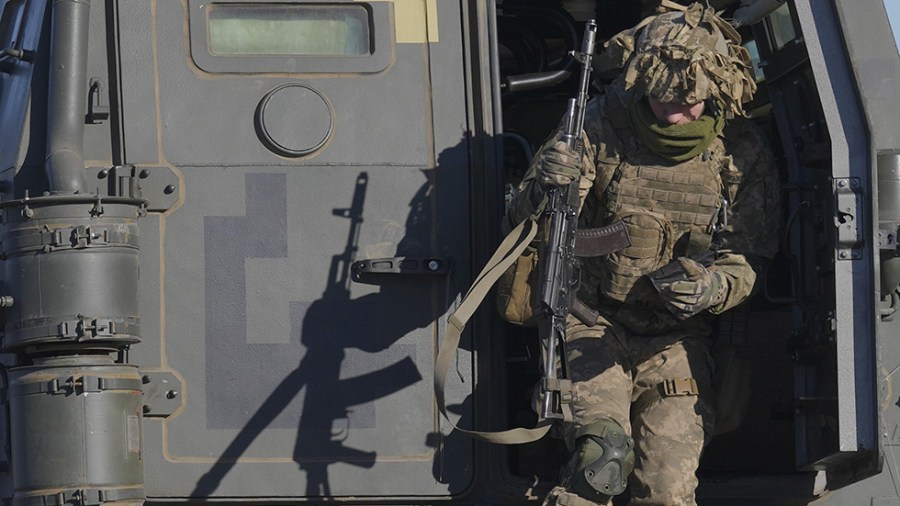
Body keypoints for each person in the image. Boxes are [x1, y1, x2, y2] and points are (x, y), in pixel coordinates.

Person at [503, 3, 782, 505]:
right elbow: (527, 225)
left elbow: (748, 258)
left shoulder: (741, 152)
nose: (676, 113)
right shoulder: (597, 127)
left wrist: (713, 287)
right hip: (591, 323)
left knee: (669, 488)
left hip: (676, 339)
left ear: (717, 92)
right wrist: (547, 186)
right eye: (662, 99)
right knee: (600, 462)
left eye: (691, 101)